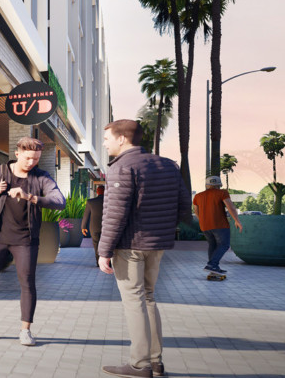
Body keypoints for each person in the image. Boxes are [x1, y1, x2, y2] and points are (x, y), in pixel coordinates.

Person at [97, 119, 192, 378]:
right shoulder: (168, 165)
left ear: (122, 139)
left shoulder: (122, 167)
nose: (104, 143)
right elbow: (185, 206)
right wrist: (161, 227)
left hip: (130, 245)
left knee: (134, 302)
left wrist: (104, 251)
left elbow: (115, 214)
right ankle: (156, 361)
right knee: (148, 298)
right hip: (157, 244)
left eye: (107, 139)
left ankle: (139, 365)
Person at [0, 137, 64, 347]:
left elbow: (59, 201)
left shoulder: (41, 177)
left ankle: (25, 331)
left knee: (27, 284)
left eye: (36, 159)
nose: (31, 162)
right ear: (18, 153)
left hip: (25, 240)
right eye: (28, 158)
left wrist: (30, 197)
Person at [192, 176, 242, 277]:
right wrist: (237, 220)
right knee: (224, 245)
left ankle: (214, 268)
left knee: (213, 245)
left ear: (207, 185)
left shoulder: (198, 196)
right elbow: (230, 206)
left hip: (205, 226)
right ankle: (212, 264)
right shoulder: (222, 193)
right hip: (220, 225)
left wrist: (203, 221)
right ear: (219, 185)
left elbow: (196, 211)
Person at [81, 182, 105, 264]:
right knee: (106, 244)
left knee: (96, 244)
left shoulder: (90, 202)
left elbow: (86, 216)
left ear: (97, 192)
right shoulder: (109, 201)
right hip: (106, 227)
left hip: (94, 227)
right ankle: (107, 262)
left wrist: (83, 227)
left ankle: (98, 262)